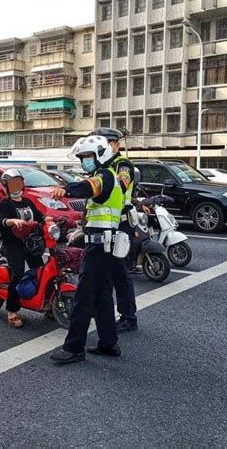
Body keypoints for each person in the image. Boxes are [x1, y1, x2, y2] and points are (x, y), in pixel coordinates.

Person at [49, 135, 124, 364]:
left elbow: (90, 187)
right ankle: (109, 343)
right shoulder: (107, 176)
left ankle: (74, 348)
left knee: (83, 297)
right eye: (82, 158)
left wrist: (67, 189)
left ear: (100, 154)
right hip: (104, 243)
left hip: (101, 245)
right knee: (102, 295)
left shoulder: (104, 176)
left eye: (87, 157)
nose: (84, 162)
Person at [0, 169, 51, 328]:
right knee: (18, 273)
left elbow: (40, 216)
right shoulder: (4, 204)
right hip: (12, 243)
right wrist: (11, 221)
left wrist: (50, 219)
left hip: (31, 242)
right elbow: (1, 221)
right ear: (5, 186)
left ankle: (46, 304)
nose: (15, 187)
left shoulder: (28, 202)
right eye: (11, 184)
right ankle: (12, 310)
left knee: (41, 271)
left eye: (18, 183)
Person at [94, 128, 138, 332]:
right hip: (106, 225)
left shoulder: (122, 165)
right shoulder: (101, 166)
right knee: (105, 271)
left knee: (120, 271)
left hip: (121, 224)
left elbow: (120, 185)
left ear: (116, 145)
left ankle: (128, 317)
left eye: (105, 143)